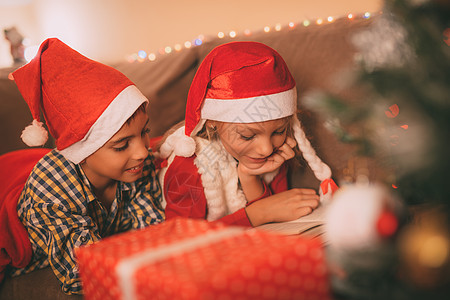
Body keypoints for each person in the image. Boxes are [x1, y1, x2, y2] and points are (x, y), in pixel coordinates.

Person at [6, 38, 164, 295]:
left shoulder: (138, 167)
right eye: (121, 145)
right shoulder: (53, 187)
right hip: (35, 266)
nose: (142, 152)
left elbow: (157, 234)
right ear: (82, 151)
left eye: (145, 132)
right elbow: (83, 272)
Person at [158, 41, 338, 227]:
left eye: (279, 131)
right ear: (212, 122)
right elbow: (179, 236)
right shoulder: (188, 169)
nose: (266, 149)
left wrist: (249, 177)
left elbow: (276, 218)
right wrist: (256, 214)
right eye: (247, 136)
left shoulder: (276, 150)